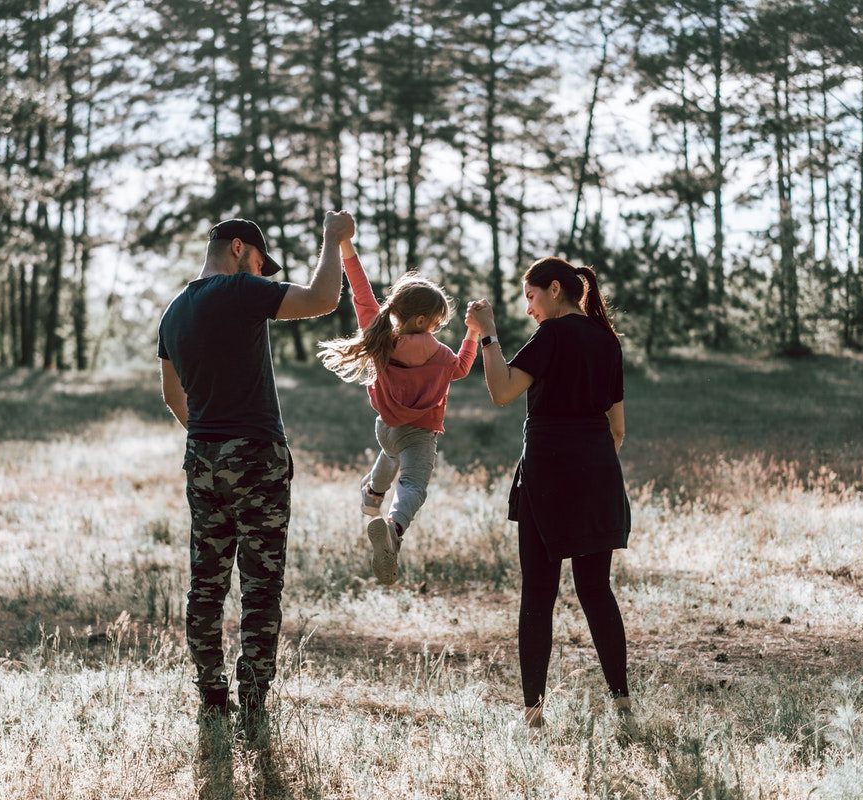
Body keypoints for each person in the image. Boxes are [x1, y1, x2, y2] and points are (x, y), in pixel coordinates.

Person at [158, 212, 355, 741]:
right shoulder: (240, 291)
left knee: (207, 581)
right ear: (240, 249)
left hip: (202, 458)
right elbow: (322, 299)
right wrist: (334, 240)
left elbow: (172, 396)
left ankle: (211, 694)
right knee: (261, 585)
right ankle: (253, 700)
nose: (264, 277)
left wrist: (209, 434)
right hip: (256, 456)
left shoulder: (173, 311)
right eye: (261, 265)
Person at [464, 256, 633, 734]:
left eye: (532, 298)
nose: (531, 310)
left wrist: (488, 334)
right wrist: (590, 462)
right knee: (597, 591)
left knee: (538, 594)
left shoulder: (554, 335)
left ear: (555, 289)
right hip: (598, 474)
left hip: (548, 476)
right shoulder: (606, 340)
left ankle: (534, 716)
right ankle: (622, 704)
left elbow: (501, 391)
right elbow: (617, 428)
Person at [318, 236, 477, 585]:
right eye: (436, 321)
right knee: (413, 485)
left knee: (390, 454)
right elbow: (463, 368)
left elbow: (361, 292)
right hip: (418, 435)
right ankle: (393, 527)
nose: (437, 327)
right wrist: (473, 333)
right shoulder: (442, 355)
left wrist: (346, 246)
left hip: (386, 429)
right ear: (422, 320)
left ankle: (373, 492)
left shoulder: (380, 339)